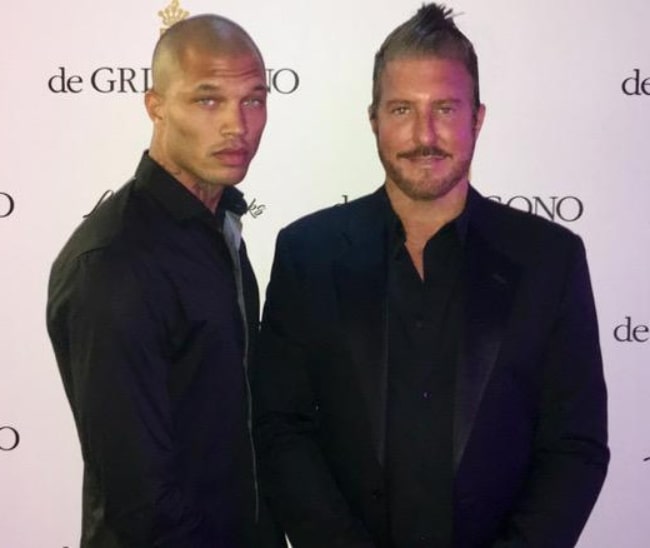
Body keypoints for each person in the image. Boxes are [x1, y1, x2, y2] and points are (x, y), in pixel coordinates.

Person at [252, 4, 609, 547]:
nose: (425, 134)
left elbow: (575, 445)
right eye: (401, 110)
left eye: (445, 107)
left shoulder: (550, 260)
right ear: (373, 119)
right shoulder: (307, 255)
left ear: (478, 118)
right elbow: (281, 428)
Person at [47, 14, 285, 548]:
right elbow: (141, 501)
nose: (237, 125)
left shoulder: (217, 227)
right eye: (208, 100)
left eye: (253, 99)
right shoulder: (113, 263)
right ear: (155, 106)